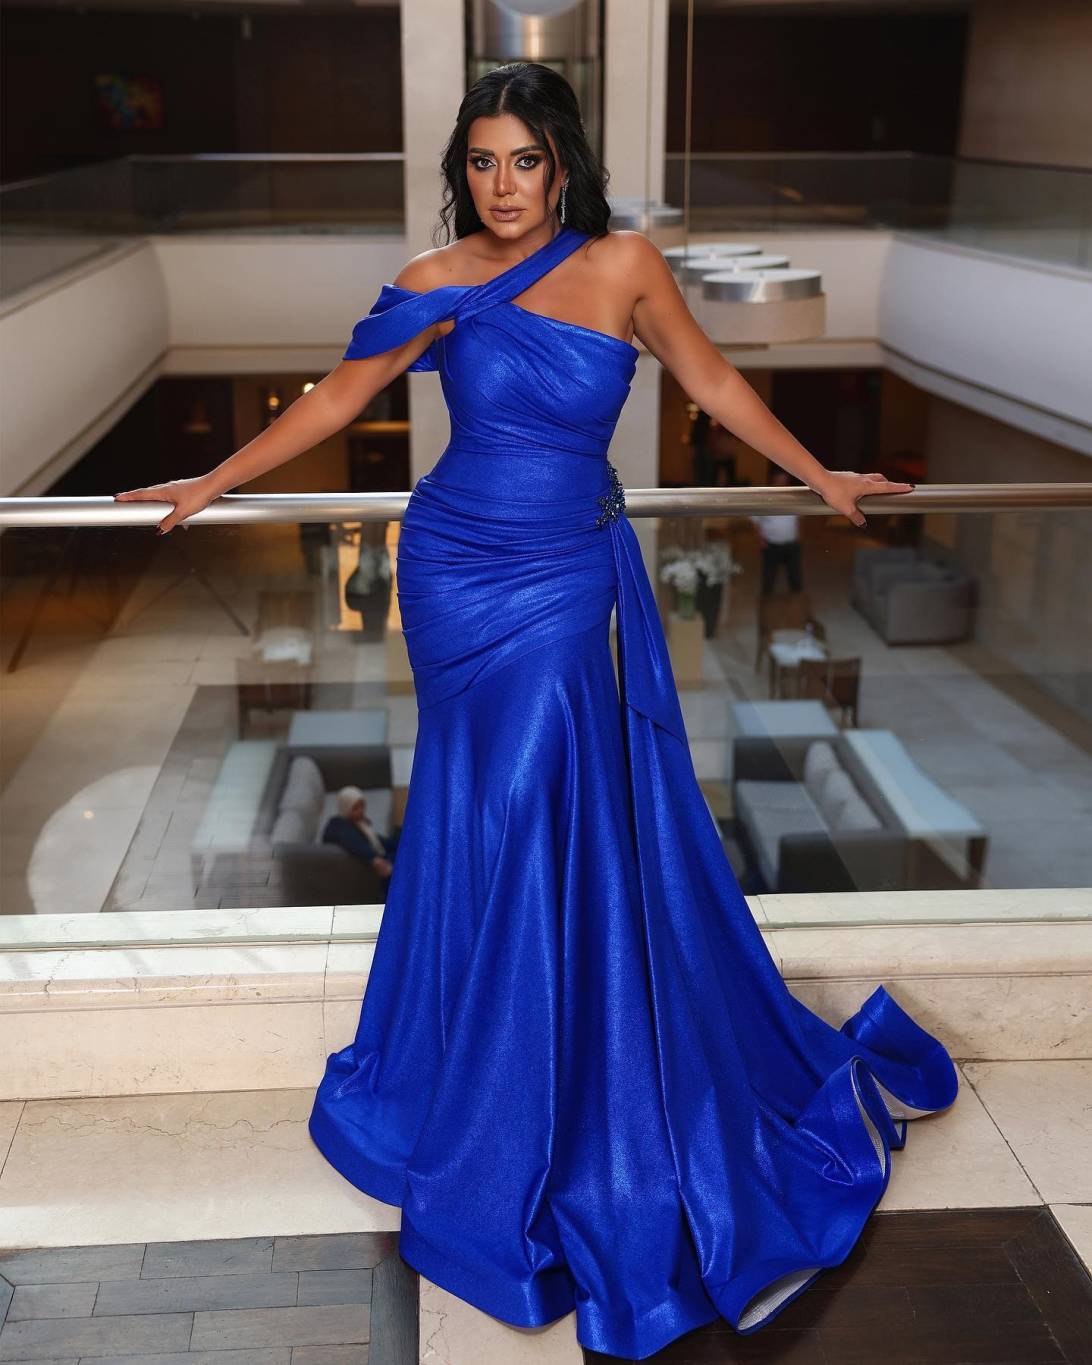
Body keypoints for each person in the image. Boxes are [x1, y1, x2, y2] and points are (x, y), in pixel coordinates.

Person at [114, 60, 947, 1363]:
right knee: (483, 811)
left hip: (564, 579)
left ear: (563, 165)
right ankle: (490, 1075)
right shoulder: (436, 281)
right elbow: (338, 398)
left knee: (534, 802)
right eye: (483, 162)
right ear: (465, 171)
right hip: (454, 569)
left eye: (525, 160)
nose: (503, 185)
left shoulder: (625, 267)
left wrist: (820, 474)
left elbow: (716, 384)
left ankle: (548, 1078)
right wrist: (209, 480)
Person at [322, 785, 395, 880]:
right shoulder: (337, 825)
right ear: (345, 808)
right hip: (369, 863)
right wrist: (374, 859)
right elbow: (352, 839)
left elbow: (376, 840)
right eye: (355, 808)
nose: (361, 811)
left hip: (377, 854)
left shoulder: (360, 823)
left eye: (362, 806)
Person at [752, 466, 804, 594]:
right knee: (769, 576)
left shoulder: (794, 497)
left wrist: (798, 536)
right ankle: (767, 602)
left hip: (791, 544)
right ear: (773, 479)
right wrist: (760, 540)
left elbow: (798, 519)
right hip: (771, 544)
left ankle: (797, 601)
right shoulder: (763, 498)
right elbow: (755, 521)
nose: (781, 483)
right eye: (779, 480)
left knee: (795, 575)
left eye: (784, 480)